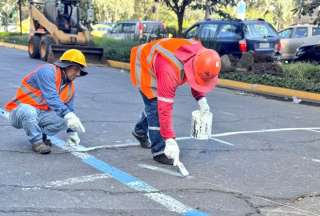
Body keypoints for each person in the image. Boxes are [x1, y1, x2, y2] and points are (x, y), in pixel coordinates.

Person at [130, 38, 221, 165]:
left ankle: (139, 131)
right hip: (144, 65)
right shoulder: (170, 69)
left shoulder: (202, 55)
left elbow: (197, 78)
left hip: (158, 61)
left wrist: (201, 99)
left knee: (152, 109)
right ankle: (159, 151)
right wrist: (169, 139)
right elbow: (164, 108)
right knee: (155, 107)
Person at [4, 49, 87, 154]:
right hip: (19, 112)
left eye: (80, 71)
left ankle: (41, 135)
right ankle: (37, 142)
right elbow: (51, 97)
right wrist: (68, 115)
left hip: (41, 114)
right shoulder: (47, 71)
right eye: (76, 69)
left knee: (68, 118)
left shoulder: (70, 87)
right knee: (29, 111)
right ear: (66, 66)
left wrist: (72, 132)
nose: (78, 74)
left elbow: (69, 110)